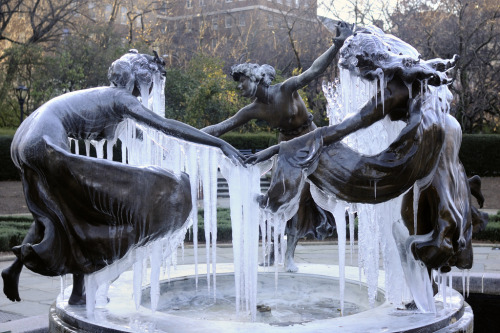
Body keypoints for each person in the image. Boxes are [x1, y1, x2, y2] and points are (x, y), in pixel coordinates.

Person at [2, 50, 245, 305]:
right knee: (89, 213)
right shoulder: (122, 98)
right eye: (152, 83)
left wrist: (188, 145)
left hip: (25, 139)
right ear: (141, 80)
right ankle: (78, 290)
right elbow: (167, 126)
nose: (152, 90)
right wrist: (219, 145)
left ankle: (20, 271)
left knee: (59, 209)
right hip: (44, 141)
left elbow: (155, 137)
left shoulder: (104, 95)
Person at [248, 25, 487, 276]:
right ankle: (431, 276)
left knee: (419, 213)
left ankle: (439, 250)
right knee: (416, 212)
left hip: (430, 136)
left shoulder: (392, 92)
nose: (361, 78)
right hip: (443, 128)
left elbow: (345, 128)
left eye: (360, 71)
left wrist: (293, 147)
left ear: (371, 63)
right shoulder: (407, 73)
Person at [202, 21, 353, 272]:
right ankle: (272, 252)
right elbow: (220, 128)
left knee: (300, 201)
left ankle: (289, 256)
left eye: (242, 82)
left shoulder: (285, 89)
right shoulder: (252, 109)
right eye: (237, 84)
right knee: (279, 201)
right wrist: (181, 135)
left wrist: (336, 46)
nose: (239, 88)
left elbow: (314, 71)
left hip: (310, 144)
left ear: (255, 78)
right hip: (286, 150)